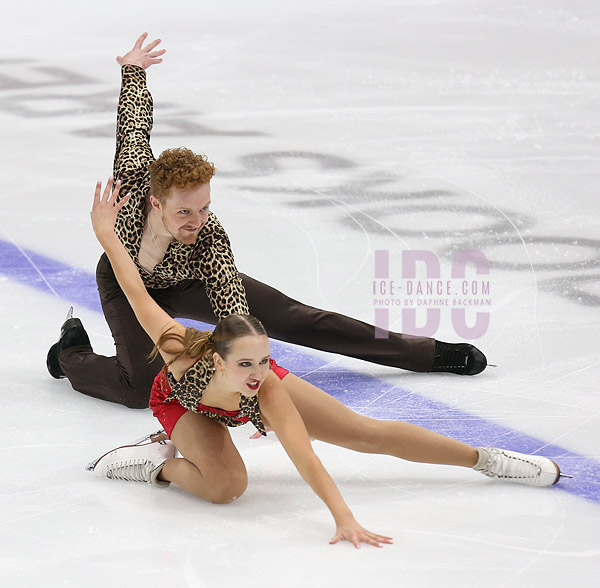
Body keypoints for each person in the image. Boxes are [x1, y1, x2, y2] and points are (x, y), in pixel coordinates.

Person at [87, 178, 563, 549]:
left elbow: (306, 457)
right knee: (227, 488)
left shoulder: (266, 386)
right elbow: (132, 287)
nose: (260, 374)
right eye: (248, 365)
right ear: (217, 357)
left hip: (237, 401)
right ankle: (156, 464)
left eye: (267, 361)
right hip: (184, 406)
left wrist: (343, 517)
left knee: (364, 432)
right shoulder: (180, 351)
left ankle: (488, 460)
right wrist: (107, 234)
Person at [46, 33, 487, 409]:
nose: (197, 220)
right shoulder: (129, 189)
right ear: (156, 202)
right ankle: (71, 353)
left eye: (204, 207)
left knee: (297, 317)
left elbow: (233, 314)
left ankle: (425, 353)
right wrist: (133, 70)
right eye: (185, 211)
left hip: (187, 281)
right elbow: (134, 124)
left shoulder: (208, 238)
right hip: (125, 283)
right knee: (141, 389)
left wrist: (249, 373)